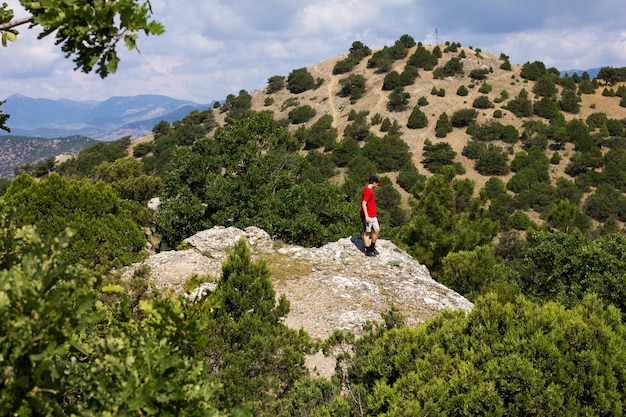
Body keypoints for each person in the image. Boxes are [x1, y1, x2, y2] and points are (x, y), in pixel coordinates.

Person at [360, 175, 382, 256]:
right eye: (377, 183)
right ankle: (368, 250)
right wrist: (366, 216)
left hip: (373, 215)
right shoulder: (368, 191)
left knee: (377, 230)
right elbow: (364, 203)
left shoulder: (370, 191)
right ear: (374, 183)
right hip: (368, 216)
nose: (377, 185)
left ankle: (372, 247)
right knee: (367, 232)